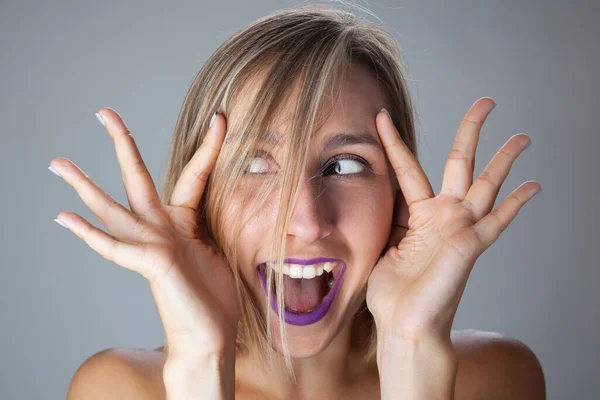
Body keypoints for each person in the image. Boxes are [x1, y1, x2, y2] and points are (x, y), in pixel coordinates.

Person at [55, 3, 545, 399]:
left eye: (346, 165)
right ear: (202, 197)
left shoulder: (495, 380)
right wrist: (203, 364)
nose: (307, 221)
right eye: (254, 164)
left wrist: (412, 352)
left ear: (399, 197)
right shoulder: (119, 390)